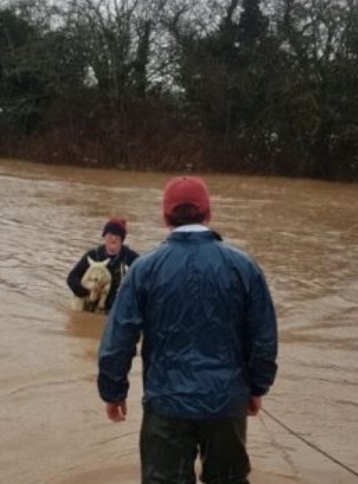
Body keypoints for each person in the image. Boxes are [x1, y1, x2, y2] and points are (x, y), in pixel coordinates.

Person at [97, 176, 278, 484]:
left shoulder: (144, 268)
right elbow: (263, 337)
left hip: (166, 404)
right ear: (209, 214)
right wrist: (257, 387)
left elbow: (119, 338)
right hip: (226, 401)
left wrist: (113, 392)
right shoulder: (243, 266)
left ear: (165, 217)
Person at [66, 218, 139, 313]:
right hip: (92, 307)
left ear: (122, 239)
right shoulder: (93, 255)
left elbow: (146, 277)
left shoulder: (130, 257)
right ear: (104, 236)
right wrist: (86, 290)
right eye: (110, 234)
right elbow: (72, 278)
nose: (113, 238)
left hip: (117, 309)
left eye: (117, 235)